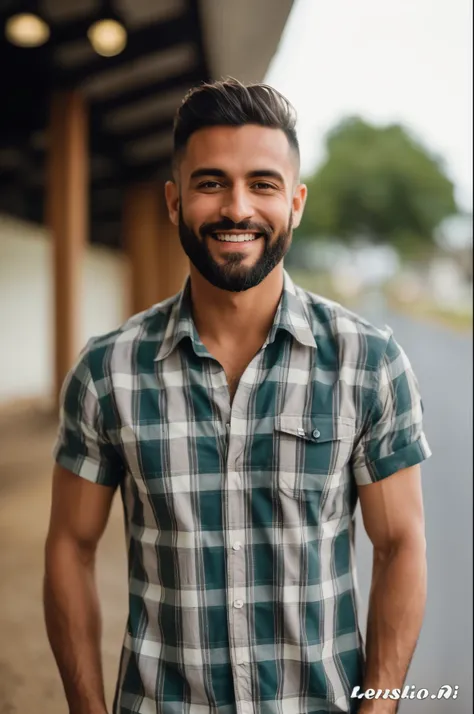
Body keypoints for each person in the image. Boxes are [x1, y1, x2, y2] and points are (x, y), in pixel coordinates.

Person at [43, 79, 431, 714]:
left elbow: (400, 545)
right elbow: (69, 545)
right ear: (174, 201)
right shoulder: (107, 371)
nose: (237, 208)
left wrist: (379, 707)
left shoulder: (370, 363)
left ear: (297, 202)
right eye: (211, 182)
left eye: (263, 184)